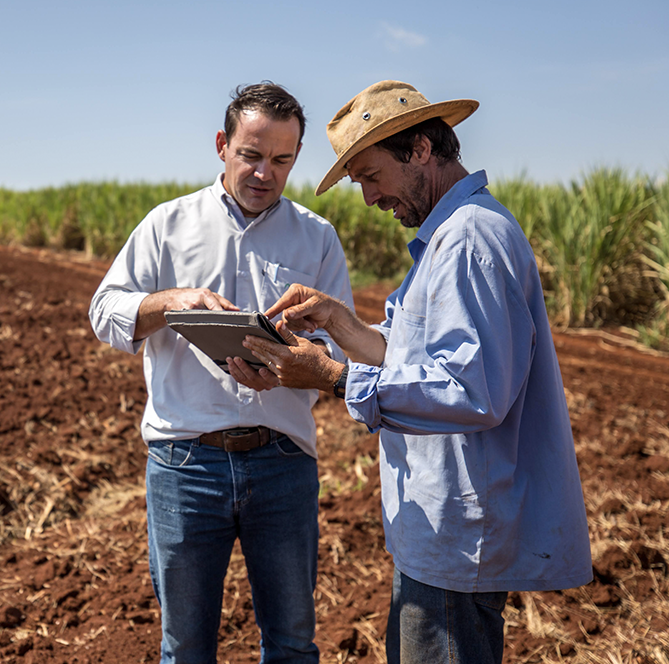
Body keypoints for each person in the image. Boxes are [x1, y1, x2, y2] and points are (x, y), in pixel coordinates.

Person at [241, 80, 593, 663]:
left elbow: (471, 389)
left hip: (457, 540)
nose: (370, 198)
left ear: (422, 150)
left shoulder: (468, 240)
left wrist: (333, 376)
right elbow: (423, 354)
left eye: (371, 176)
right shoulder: (450, 236)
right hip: (438, 535)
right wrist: (341, 324)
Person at [89, 82, 353, 663]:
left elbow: (344, 353)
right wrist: (171, 302)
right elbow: (104, 313)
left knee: (292, 644)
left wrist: (296, 367)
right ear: (221, 145)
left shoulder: (318, 238)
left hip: (283, 462)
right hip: (185, 465)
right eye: (251, 155)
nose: (265, 173)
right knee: (185, 650)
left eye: (282, 160)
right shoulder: (166, 225)